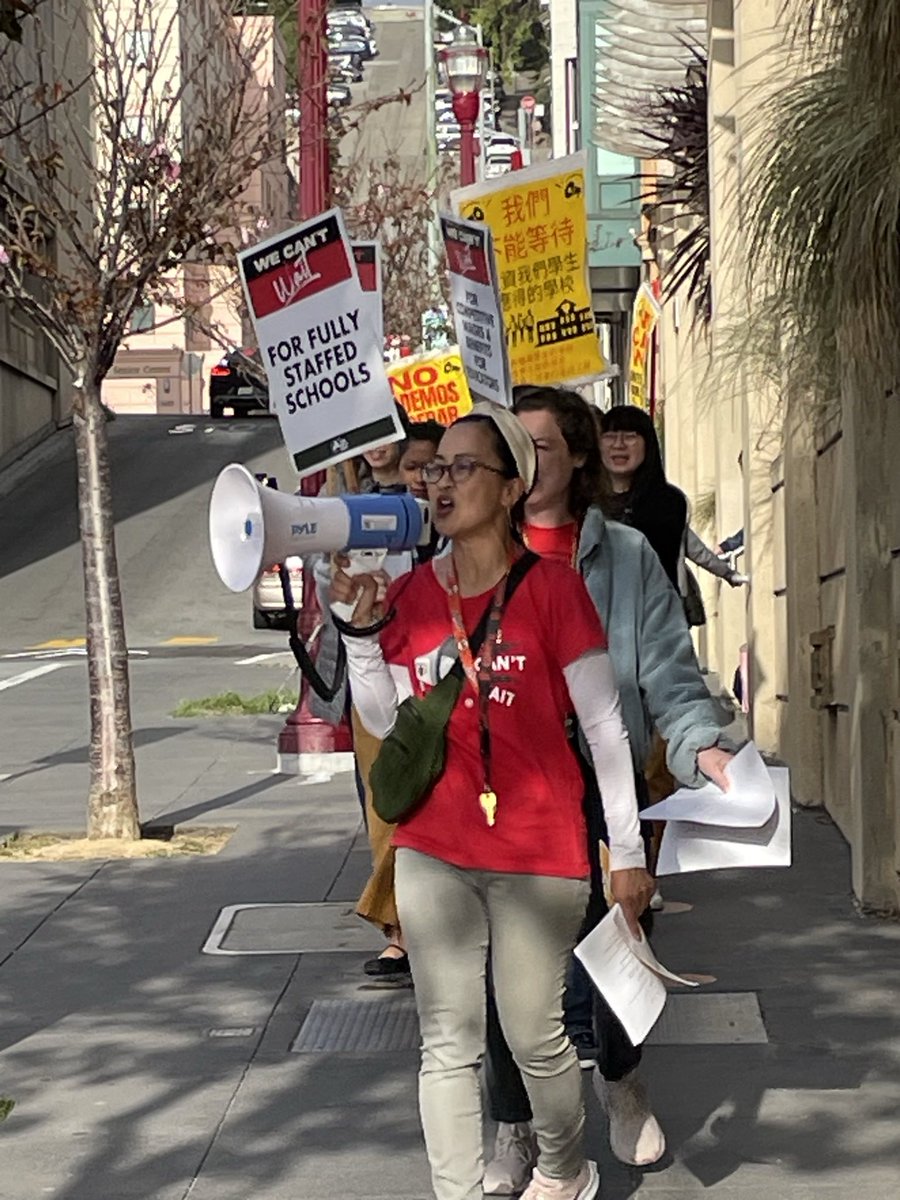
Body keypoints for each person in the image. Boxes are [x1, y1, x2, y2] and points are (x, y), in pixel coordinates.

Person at [332, 402, 653, 1200]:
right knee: (446, 1039)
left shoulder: (552, 590)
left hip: (540, 849)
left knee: (537, 1038)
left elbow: (605, 729)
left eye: (465, 467)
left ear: (512, 489)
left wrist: (630, 854)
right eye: (436, 468)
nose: (443, 482)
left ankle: (566, 1167)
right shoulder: (406, 592)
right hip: (433, 844)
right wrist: (358, 634)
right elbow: (382, 720)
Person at [477, 386, 738, 1190]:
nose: (522, 464)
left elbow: (670, 675)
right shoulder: (476, 550)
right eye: (509, 450)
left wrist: (704, 751)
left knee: (607, 951)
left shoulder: (624, 558)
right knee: (506, 971)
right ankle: (515, 1123)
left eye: (541, 447)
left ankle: (621, 1082)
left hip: (600, 780)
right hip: (504, 789)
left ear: (580, 457)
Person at [597, 405, 687, 588]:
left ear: (648, 444)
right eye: (609, 436)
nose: (618, 444)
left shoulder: (668, 501)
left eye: (630, 436)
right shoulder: (581, 501)